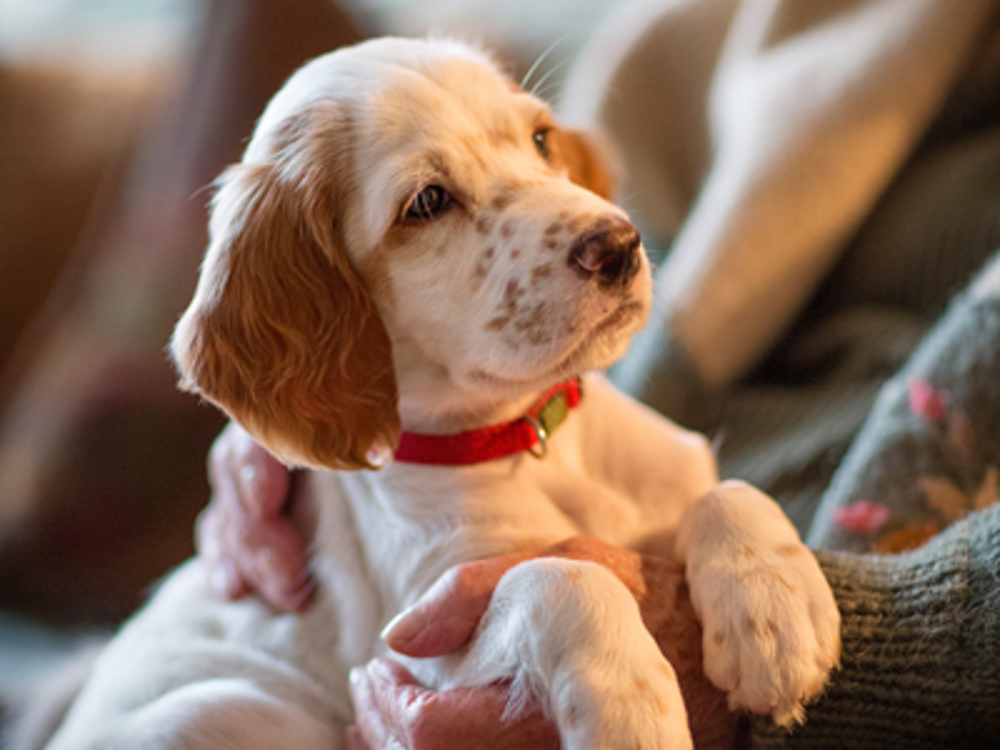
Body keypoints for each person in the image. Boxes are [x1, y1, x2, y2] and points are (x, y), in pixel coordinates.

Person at [197, 0, 1000, 746]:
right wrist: (298, 394)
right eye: (430, 202)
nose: (604, 229)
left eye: (539, 142)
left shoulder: (656, 455)